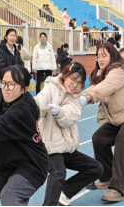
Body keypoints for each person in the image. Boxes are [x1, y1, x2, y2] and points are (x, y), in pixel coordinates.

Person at [80, 43, 124, 203]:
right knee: (99, 138)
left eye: (104, 55)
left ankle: (117, 188)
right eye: (98, 56)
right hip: (122, 116)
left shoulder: (118, 70)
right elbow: (95, 87)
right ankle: (107, 177)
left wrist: (87, 98)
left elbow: (105, 88)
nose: (100, 59)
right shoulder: (104, 73)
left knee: (122, 142)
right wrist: (75, 97)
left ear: (112, 56)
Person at [0, 66, 49, 206]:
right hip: (8, 164)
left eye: (12, 84)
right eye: (4, 83)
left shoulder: (22, 109)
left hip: (31, 165)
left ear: (24, 88)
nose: (6, 88)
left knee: (10, 195)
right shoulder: (4, 99)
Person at [34, 63, 104, 206]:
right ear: (65, 75)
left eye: (79, 82)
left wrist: (58, 111)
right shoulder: (51, 86)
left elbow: (71, 117)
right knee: (58, 172)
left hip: (65, 148)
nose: (75, 85)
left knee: (96, 168)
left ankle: (63, 192)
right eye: (73, 79)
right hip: (49, 146)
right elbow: (40, 100)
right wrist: (34, 106)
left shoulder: (75, 98)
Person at [0, 28, 24, 95]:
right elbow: (1, 68)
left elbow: (21, 64)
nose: (12, 38)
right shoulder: (1, 52)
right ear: (6, 37)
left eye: (14, 36)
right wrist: (13, 74)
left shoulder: (17, 52)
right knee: (4, 99)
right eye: (10, 35)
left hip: (15, 82)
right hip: (5, 82)